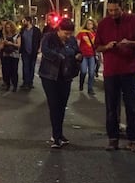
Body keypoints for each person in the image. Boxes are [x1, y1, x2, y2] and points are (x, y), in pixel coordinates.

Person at [95, 0, 135, 152]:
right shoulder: (103, 24)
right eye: (110, 10)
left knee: (131, 106)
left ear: (122, 7)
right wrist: (107, 46)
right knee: (111, 106)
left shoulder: (134, 20)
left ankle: (133, 139)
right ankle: (113, 138)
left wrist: (130, 43)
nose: (112, 13)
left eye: (115, 10)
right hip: (111, 71)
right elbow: (97, 47)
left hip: (129, 70)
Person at [38, 18, 82, 148]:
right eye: (65, 33)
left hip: (66, 76)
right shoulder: (48, 38)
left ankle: (59, 133)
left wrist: (79, 56)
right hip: (49, 75)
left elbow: (77, 51)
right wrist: (62, 55)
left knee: (62, 106)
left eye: (70, 33)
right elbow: (46, 52)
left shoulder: (72, 40)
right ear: (59, 30)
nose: (68, 36)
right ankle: (56, 136)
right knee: (54, 105)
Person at [19, 16, 42, 90]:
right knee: (25, 67)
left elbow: (40, 40)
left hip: (33, 51)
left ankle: (30, 82)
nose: (23, 23)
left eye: (24, 21)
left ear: (29, 21)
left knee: (32, 67)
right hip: (25, 51)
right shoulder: (22, 30)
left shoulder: (36, 30)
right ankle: (25, 82)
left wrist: (39, 48)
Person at [76, 18, 98, 95]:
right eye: (88, 23)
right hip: (83, 55)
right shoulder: (81, 33)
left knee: (92, 73)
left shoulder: (95, 34)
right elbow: (77, 44)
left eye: (91, 24)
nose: (89, 25)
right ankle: (81, 83)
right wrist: (77, 52)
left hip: (92, 55)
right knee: (83, 71)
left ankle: (90, 89)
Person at [0, 20, 21, 92]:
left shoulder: (17, 35)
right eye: (6, 27)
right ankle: (8, 84)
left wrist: (11, 43)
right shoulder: (4, 35)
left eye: (9, 27)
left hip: (14, 55)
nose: (8, 29)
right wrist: (3, 43)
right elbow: (1, 46)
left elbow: (18, 45)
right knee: (7, 71)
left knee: (14, 71)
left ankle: (15, 85)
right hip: (6, 54)